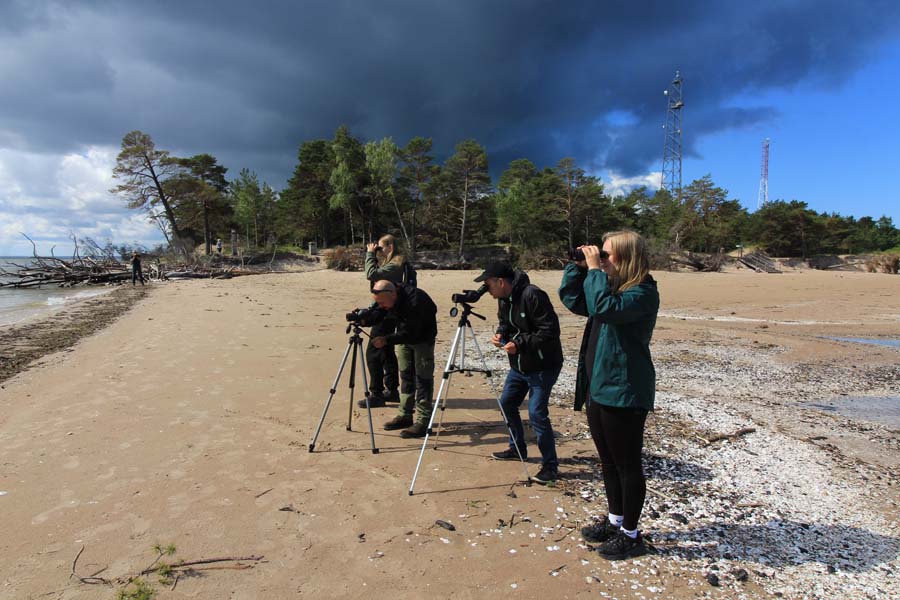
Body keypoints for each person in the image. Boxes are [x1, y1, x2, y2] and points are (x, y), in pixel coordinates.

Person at [558, 231, 659, 560]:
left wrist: (595, 271)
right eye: (600, 254)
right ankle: (616, 521)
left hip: (624, 392)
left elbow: (603, 307)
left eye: (607, 255)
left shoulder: (642, 291)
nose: (601, 259)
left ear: (626, 257)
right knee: (608, 461)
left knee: (628, 465)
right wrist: (578, 267)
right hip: (599, 387)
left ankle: (631, 534)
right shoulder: (611, 286)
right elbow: (575, 301)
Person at [476, 261, 563, 485]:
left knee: (536, 413)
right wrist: (500, 334)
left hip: (544, 365)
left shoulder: (533, 295)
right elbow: (505, 323)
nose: (488, 291)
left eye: (488, 286)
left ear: (501, 282)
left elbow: (550, 331)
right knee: (506, 403)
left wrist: (519, 343)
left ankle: (550, 466)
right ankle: (517, 449)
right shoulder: (504, 298)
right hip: (520, 365)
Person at [370, 279, 437, 439]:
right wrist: (366, 318)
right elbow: (381, 312)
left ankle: (423, 420)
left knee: (423, 379)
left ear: (393, 294)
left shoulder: (415, 301)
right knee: (406, 375)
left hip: (422, 339)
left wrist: (386, 340)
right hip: (404, 338)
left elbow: (411, 332)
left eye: (383, 303)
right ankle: (405, 415)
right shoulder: (388, 297)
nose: (382, 306)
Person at [360, 235, 410, 407]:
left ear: (390, 246)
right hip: (391, 309)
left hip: (387, 311)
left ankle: (377, 393)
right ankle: (392, 390)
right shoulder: (397, 262)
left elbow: (371, 274)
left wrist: (369, 254)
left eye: (380, 248)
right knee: (387, 350)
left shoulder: (396, 264)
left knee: (374, 351)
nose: (379, 251)